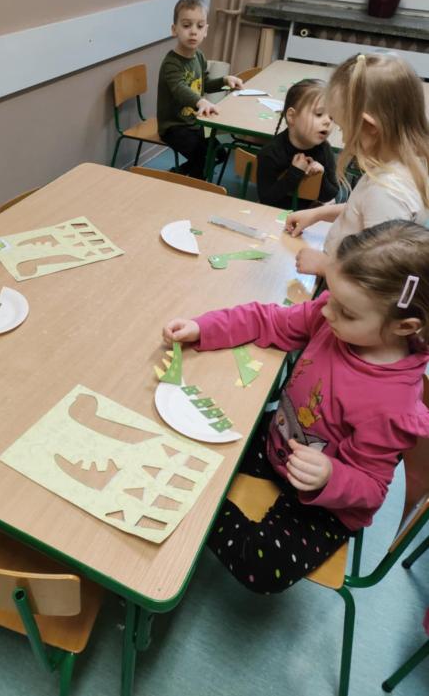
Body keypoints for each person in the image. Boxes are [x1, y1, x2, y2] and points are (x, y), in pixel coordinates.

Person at [163, 219, 429, 593]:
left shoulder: (391, 405)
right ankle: (203, 501)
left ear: (404, 327)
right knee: (200, 437)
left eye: (346, 311)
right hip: (282, 445)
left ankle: (201, 509)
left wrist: (330, 476)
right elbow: (268, 320)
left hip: (326, 500)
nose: (327, 312)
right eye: (330, 296)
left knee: (259, 567)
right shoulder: (333, 315)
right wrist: (204, 328)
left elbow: (371, 487)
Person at [284, 53, 429, 277]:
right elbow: (362, 211)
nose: (343, 139)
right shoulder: (404, 166)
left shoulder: (386, 193)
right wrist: (319, 213)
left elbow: (377, 277)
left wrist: (325, 266)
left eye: (343, 128)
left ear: (370, 126)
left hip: (342, 287)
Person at [157, 0, 243, 179]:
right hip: (174, 126)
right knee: (203, 160)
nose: (193, 31)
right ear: (174, 29)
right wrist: (201, 102)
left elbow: (205, 85)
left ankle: (180, 173)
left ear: (206, 30)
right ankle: (195, 186)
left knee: (220, 154)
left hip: (193, 123)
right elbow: (180, 89)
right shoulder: (171, 63)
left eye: (200, 26)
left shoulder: (199, 57)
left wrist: (224, 81)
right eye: (186, 25)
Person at [257, 78, 339, 209]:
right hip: (275, 214)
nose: (328, 122)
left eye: (332, 117)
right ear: (292, 116)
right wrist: (295, 172)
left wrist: (321, 176)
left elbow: (330, 195)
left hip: (310, 214)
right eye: (319, 114)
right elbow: (266, 199)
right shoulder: (271, 153)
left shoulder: (325, 149)